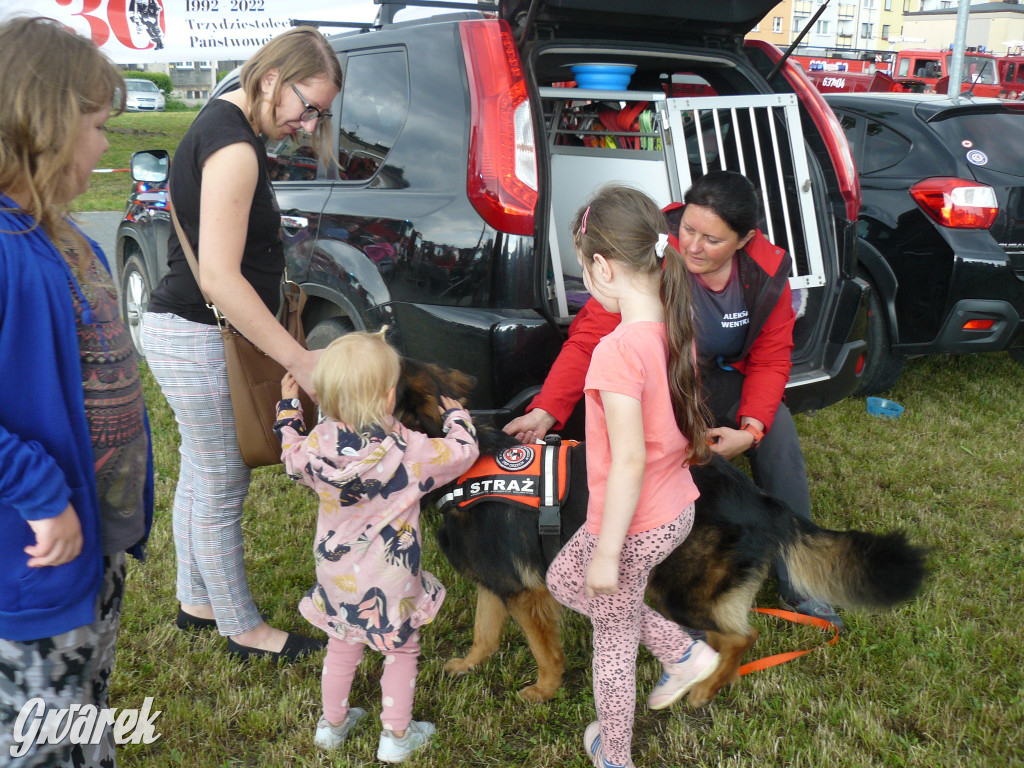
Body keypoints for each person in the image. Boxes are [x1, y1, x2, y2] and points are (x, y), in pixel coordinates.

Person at [507, 171, 842, 630]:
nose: (694, 246)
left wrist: (751, 430)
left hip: (717, 379)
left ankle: (801, 577)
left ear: (744, 240)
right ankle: (661, 566)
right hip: (661, 379)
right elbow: (589, 337)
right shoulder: (652, 252)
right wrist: (548, 408)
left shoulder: (765, 273)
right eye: (688, 229)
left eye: (712, 239)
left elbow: (771, 358)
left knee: (778, 431)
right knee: (633, 446)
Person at [141, 26, 343, 659]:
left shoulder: (218, 126)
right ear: (270, 80)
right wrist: (300, 360)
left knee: (201, 475)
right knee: (223, 482)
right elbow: (221, 280)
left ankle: (197, 602)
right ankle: (242, 629)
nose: (309, 125)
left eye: (321, 115)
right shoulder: (235, 148)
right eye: (307, 106)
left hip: (183, 329)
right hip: (199, 334)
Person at [0, 16, 154, 766]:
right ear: (44, 126)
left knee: (83, 712)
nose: (104, 144)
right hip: (30, 563)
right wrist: (39, 491)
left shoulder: (64, 235)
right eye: (95, 126)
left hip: (91, 551)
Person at [544, 186, 722, 768]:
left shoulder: (617, 350)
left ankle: (614, 754)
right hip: (674, 509)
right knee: (562, 582)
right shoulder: (676, 326)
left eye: (583, 273)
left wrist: (608, 550)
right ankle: (681, 650)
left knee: (612, 646)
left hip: (632, 524)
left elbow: (628, 460)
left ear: (601, 266)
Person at [274, 330, 480, 763]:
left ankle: (331, 726)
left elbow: (289, 453)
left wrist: (289, 408)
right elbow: (464, 451)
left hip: (335, 575)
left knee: (341, 643)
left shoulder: (314, 449)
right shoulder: (410, 451)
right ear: (390, 398)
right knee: (401, 649)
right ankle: (396, 736)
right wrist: (456, 415)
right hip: (392, 578)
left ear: (325, 400)